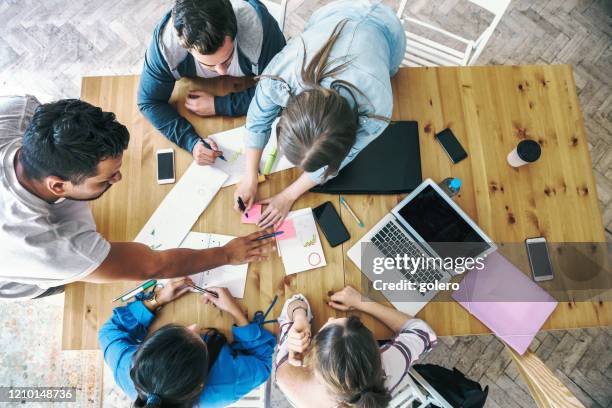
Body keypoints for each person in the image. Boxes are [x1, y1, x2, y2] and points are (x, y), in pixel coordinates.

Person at [0, 95, 274, 300]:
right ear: (58, 186)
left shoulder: (19, 112)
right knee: (76, 282)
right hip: (15, 270)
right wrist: (227, 253)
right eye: (106, 178)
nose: (118, 179)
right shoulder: (47, 248)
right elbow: (152, 266)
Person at [234, 0, 405, 228]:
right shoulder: (282, 73)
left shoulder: (377, 110)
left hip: (386, 30)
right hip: (335, 13)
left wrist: (288, 196)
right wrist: (249, 175)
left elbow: (342, 158)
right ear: (289, 110)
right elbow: (257, 120)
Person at [138, 0, 286, 165]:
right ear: (185, 47)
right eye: (209, 65)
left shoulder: (261, 32)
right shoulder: (165, 49)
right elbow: (148, 102)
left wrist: (221, 104)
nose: (222, 72)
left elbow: (280, 92)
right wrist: (191, 142)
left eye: (228, 58)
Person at [99, 278, 276, 408]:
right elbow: (263, 361)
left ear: (142, 353)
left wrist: (157, 299)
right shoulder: (224, 386)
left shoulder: (128, 370)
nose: (194, 326)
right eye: (198, 339)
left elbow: (108, 332)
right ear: (201, 381)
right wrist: (236, 312)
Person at [275, 286, 437, 407]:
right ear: (377, 353)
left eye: (328, 325)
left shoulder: (288, 376)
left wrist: (299, 316)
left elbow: (296, 300)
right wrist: (361, 302)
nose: (331, 318)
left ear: (312, 362)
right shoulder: (389, 367)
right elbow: (423, 332)